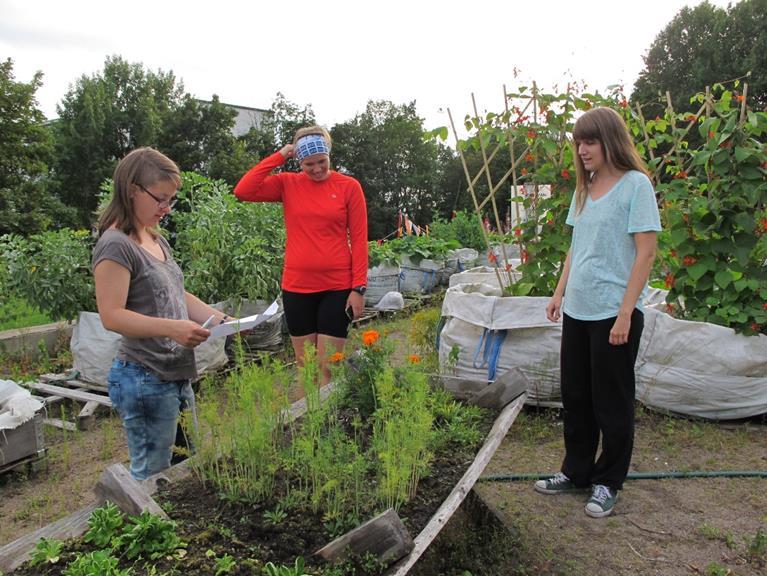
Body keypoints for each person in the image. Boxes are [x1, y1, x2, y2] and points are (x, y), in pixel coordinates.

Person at [535, 107, 661, 518]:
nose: (582, 149)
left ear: (610, 140)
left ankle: (608, 482)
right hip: (579, 310)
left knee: (612, 401)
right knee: (576, 397)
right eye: (578, 142)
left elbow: (646, 252)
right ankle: (576, 472)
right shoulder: (584, 188)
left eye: (590, 141)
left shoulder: (635, 186)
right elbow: (578, 247)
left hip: (612, 312)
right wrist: (559, 293)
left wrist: (626, 313)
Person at [93, 147, 232, 480]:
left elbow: (174, 292)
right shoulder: (115, 244)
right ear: (132, 190)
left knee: (185, 468)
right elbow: (111, 315)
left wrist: (219, 319)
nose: (166, 209)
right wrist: (172, 328)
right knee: (153, 476)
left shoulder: (153, 238)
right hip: (144, 376)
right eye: (160, 199)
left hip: (174, 373)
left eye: (171, 200)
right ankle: (147, 531)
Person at [234, 126, 368, 384]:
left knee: (327, 367)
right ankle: (310, 422)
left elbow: (360, 240)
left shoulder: (348, 187)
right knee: (306, 368)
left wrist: (358, 288)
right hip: (297, 287)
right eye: (309, 164)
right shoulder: (288, 184)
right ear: (299, 161)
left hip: (337, 286)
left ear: (329, 155)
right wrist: (280, 155)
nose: (317, 169)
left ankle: (328, 422)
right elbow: (243, 191)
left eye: (322, 161)